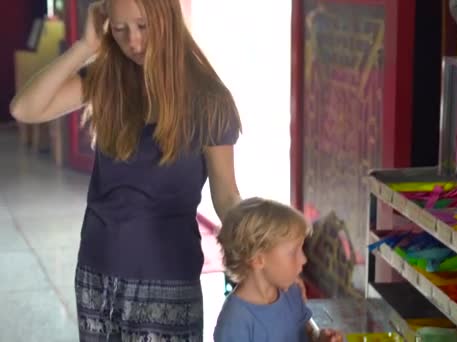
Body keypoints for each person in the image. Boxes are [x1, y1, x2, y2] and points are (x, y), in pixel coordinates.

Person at [10, 0, 242, 340]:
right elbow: (24, 109)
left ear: (167, 19)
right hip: (99, 272)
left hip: (169, 278)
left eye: (143, 27)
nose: (133, 42)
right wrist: (86, 46)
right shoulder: (108, 81)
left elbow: (226, 193)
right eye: (120, 30)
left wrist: (254, 241)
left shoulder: (209, 99)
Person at [214, 197, 343, 342]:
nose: (304, 259)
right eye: (293, 252)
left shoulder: (291, 293)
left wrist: (320, 339)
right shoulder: (234, 323)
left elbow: (306, 333)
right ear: (258, 259)